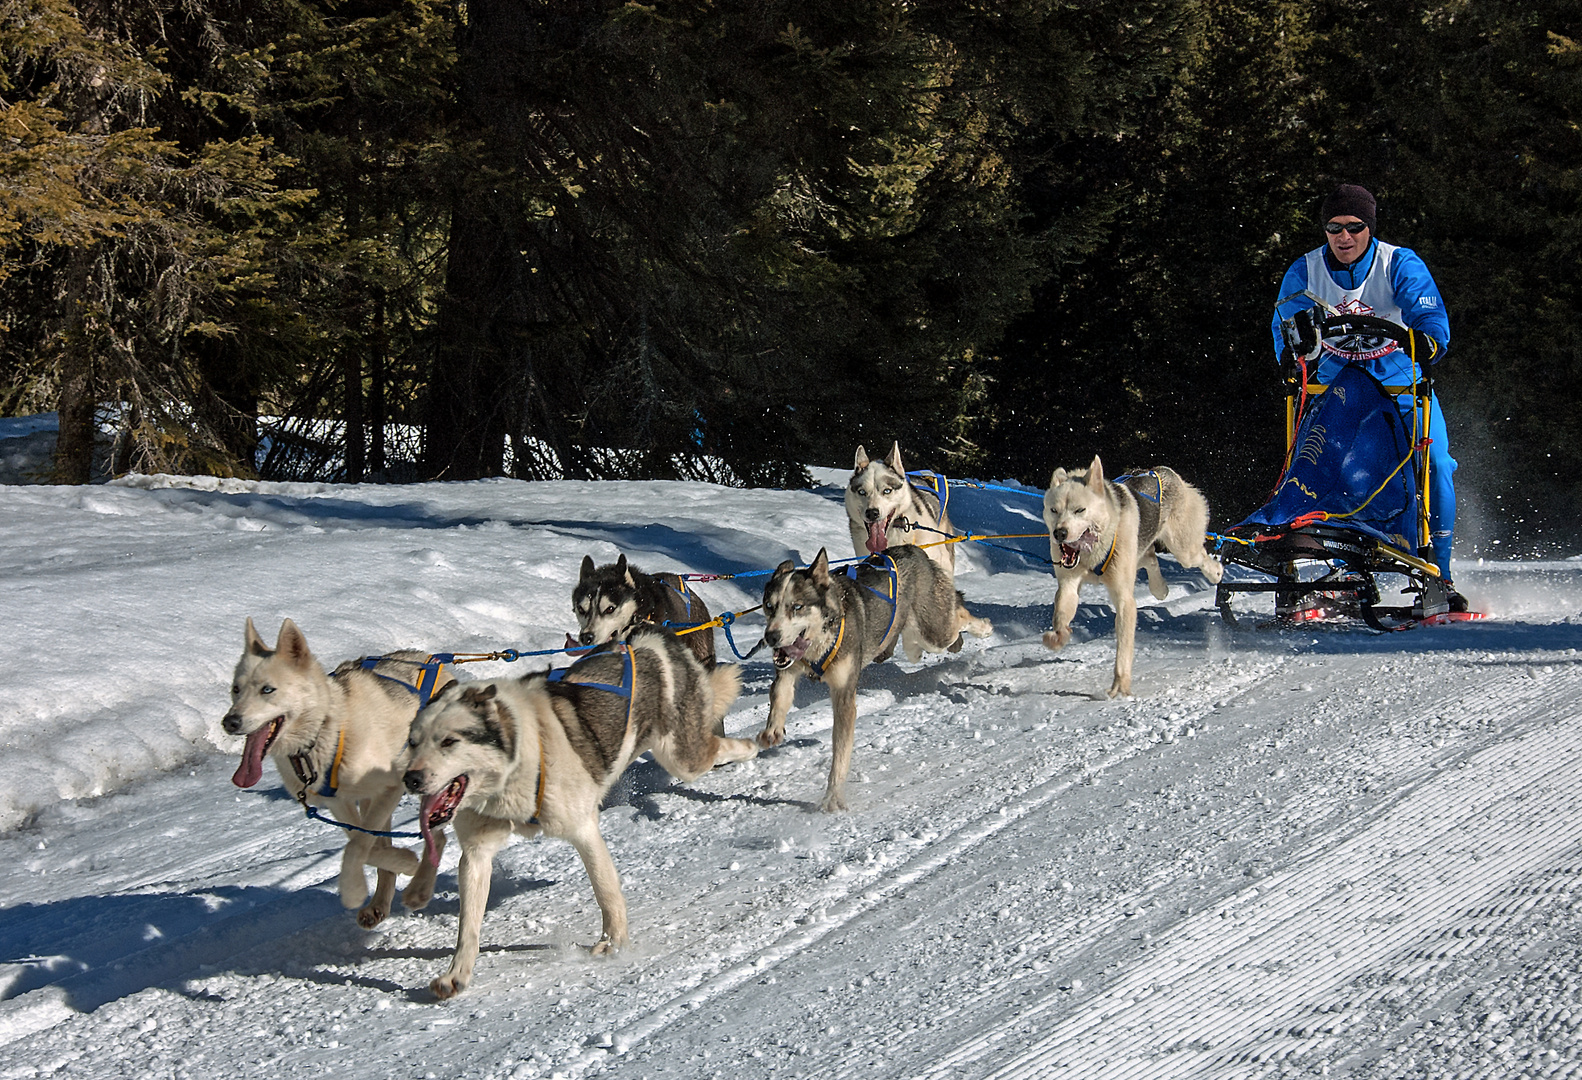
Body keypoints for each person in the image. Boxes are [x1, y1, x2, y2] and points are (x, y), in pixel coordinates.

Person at [1270, 183, 1466, 612]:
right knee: (1326, 466)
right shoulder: (1304, 271)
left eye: (1354, 228)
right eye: (1334, 228)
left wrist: (1429, 340)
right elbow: (1286, 326)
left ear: (1369, 228)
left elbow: (1429, 314)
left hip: (1400, 382)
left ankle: (1441, 573)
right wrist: (1292, 350)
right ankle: (1339, 568)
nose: (1344, 238)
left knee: (1435, 464)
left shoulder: (1397, 263)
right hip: (1339, 387)